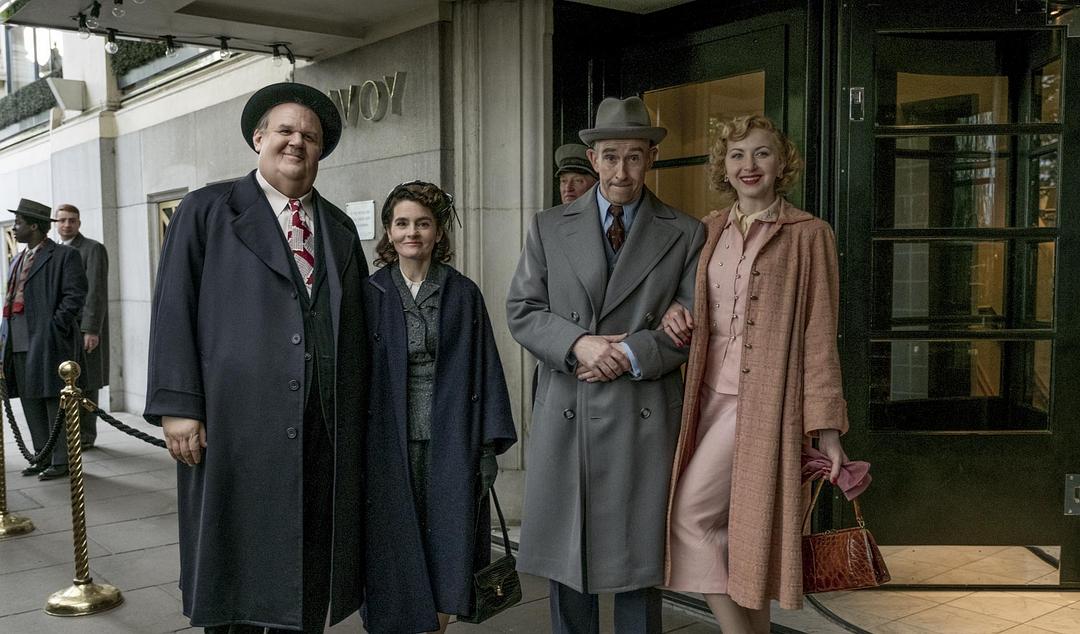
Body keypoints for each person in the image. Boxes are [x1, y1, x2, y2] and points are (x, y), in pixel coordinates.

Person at [144, 82, 370, 633]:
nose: (297, 142)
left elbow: (358, 330)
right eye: (285, 131)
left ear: (321, 151)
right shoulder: (206, 210)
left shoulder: (339, 228)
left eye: (309, 136)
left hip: (321, 428)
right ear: (258, 139)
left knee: (308, 569)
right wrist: (178, 406)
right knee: (234, 570)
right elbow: (173, 308)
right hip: (233, 425)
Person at [507, 96, 705, 634]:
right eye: (611, 157)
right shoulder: (548, 226)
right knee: (569, 566)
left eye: (634, 157)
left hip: (643, 413)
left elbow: (696, 327)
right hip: (569, 407)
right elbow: (522, 309)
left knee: (638, 569)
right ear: (593, 159)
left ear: (651, 159)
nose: (622, 171)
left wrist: (627, 354)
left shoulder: (686, 232)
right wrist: (579, 344)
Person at [661, 114, 851, 634]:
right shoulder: (707, 229)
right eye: (737, 154)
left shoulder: (809, 234)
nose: (749, 165)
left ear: (781, 163)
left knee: (690, 516)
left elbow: (820, 334)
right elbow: (684, 299)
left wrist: (827, 428)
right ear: (724, 165)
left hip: (765, 403)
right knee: (742, 531)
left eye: (762, 153)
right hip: (703, 396)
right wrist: (674, 310)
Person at [362, 181, 517, 633]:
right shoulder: (370, 293)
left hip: (452, 438)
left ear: (438, 231)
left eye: (423, 224)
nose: (412, 233)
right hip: (387, 441)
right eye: (402, 223)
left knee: (447, 544)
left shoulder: (462, 293)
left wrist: (486, 447)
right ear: (389, 231)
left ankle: (437, 628)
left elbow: (486, 368)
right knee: (391, 541)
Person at [1, 198, 87, 480]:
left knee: (53, 401)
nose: (14, 229)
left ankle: (61, 461)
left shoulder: (64, 256)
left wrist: (54, 326)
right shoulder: (17, 259)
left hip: (49, 341)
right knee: (30, 401)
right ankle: (42, 456)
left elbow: (75, 296)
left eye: (18, 223)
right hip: (18, 342)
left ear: (35, 226)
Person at [54, 203, 109, 448]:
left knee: (87, 381)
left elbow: (96, 291)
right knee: (68, 381)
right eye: (62, 220)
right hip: (64, 329)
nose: (67, 224)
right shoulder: (55, 250)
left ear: (79, 223)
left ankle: (86, 436)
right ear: (55, 223)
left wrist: (91, 329)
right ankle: (68, 434)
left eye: (72, 220)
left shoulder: (92, 248)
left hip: (84, 328)